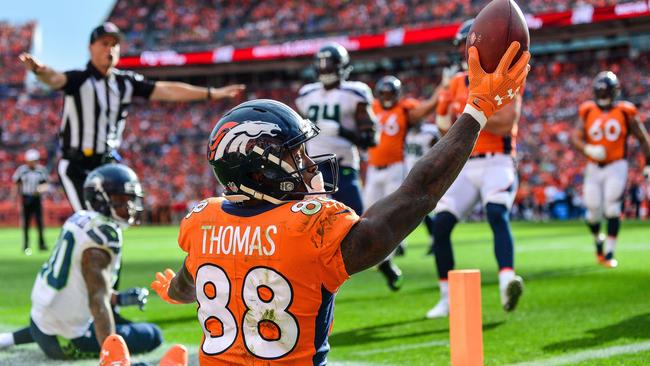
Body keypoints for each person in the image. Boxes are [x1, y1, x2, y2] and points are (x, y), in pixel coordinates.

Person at [149, 42, 530, 364]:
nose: (308, 164)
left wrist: (176, 292)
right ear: (260, 171)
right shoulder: (309, 227)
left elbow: (189, 281)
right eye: (295, 156)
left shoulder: (203, 223)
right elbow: (419, 192)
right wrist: (477, 109)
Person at [19, 22, 244, 212]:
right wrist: (40, 70)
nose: (111, 49)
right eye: (105, 44)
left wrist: (209, 93)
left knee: (116, 221)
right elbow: (56, 79)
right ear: (91, 48)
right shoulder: (79, 80)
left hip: (107, 164)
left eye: (115, 44)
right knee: (91, 223)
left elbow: (166, 90)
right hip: (77, 166)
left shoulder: (125, 82)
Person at [0, 164, 160, 360]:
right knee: (152, 334)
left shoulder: (79, 218)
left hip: (39, 322)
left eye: (130, 199)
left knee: (56, 321)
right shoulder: (103, 235)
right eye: (121, 200)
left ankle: (7, 339)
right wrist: (114, 358)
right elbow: (97, 299)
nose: (129, 206)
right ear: (100, 199)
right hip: (65, 339)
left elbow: (79, 284)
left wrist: (120, 298)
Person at [426, 19, 525, 319]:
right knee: (440, 227)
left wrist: (471, 110)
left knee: (497, 213)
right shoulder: (456, 82)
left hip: (497, 159)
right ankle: (446, 297)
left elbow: (506, 122)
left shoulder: (504, 76)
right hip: (466, 164)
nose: (462, 50)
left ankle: (507, 279)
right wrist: (454, 110)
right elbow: (445, 128)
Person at [365, 75, 442, 289]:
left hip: (395, 167)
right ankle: (379, 255)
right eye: (384, 94)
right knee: (367, 213)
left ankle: (390, 253)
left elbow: (425, 110)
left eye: (391, 94)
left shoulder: (405, 108)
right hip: (373, 168)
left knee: (392, 212)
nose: (387, 97)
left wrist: (441, 88)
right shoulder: (372, 107)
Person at [571, 71, 650, 267]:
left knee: (612, 207)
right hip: (593, 166)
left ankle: (609, 253)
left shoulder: (625, 111)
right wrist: (588, 148)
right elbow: (576, 137)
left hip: (617, 164)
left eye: (606, 92)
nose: (603, 96)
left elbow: (642, 138)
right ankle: (599, 242)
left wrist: (648, 162)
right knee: (592, 210)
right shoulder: (588, 110)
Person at [295, 42, 378, 215]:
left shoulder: (355, 92)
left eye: (330, 64)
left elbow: (370, 140)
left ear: (342, 65)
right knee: (314, 216)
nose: (325, 69)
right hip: (313, 165)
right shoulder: (306, 94)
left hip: (343, 163)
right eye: (322, 64)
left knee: (353, 214)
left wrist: (342, 131)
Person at [12, 149, 49, 255]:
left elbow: (46, 184)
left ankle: (41, 244)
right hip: (25, 198)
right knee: (26, 223)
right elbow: (17, 184)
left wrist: (39, 190)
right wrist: (15, 198)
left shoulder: (41, 170)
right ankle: (26, 245)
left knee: (39, 222)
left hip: (36, 198)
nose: (33, 162)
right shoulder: (21, 170)